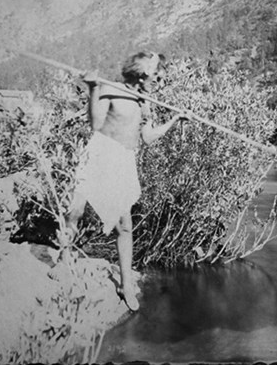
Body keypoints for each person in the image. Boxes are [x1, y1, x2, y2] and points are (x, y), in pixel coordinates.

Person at [65, 52, 187, 311]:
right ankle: (64, 257)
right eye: (157, 76)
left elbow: (148, 137)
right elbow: (96, 123)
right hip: (99, 153)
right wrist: (93, 88)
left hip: (122, 160)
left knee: (125, 227)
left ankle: (126, 284)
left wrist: (175, 121)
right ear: (143, 73)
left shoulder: (145, 101)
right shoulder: (110, 89)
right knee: (74, 211)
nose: (159, 81)